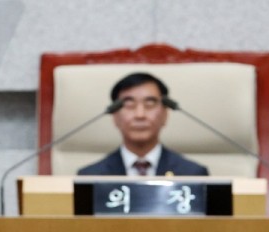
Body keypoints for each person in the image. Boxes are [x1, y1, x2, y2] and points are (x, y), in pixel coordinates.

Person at [77, 72, 209, 178]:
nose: (140, 115)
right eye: (129, 104)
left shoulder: (193, 174)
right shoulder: (90, 177)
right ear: (115, 116)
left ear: (165, 115)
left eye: (150, 104)